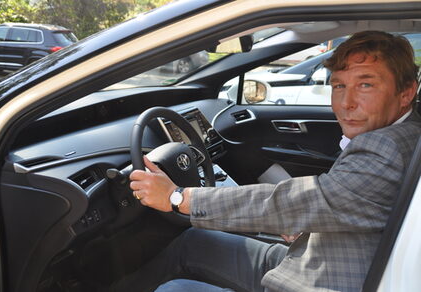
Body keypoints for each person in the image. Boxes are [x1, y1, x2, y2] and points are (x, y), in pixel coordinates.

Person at [111, 31, 421, 292]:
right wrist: (305, 223)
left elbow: (299, 202)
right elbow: (337, 201)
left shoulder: (385, 148)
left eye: (365, 84)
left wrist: (176, 197)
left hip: (319, 280)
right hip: (323, 253)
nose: (346, 102)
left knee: (174, 289)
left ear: (407, 92)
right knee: (194, 241)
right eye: (339, 85)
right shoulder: (406, 132)